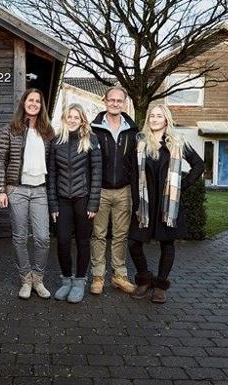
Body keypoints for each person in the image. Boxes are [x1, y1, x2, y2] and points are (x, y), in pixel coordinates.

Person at [128, 104, 204, 304]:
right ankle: (144, 279)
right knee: (134, 243)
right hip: (145, 204)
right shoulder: (140, 142)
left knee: (167, 245)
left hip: (167, 204)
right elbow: (133, 174)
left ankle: (160, 286)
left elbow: (199, 164)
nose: (154, 119)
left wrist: (182, 185)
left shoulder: (177, 142)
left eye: (159, 116)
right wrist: (136, 201)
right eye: (151, 116)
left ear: (166, 119)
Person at [0, 88, 55, 300]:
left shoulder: (48, 132)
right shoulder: (10, 129)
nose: (34, 104)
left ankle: (38, 278)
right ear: (24, 102)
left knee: (42, 238)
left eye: (38, 101)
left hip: (40, 190)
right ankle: (25, 279)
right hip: (17, 189)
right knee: (20, 237)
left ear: (41, 106)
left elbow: (52, 164)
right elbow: (1, 160)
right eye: (31, 100)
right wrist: (0, 190)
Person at [47, 103, 102, 303]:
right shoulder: (56, 142)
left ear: (82, 121)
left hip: (83, 199)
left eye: (76, 117)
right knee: (62, 241)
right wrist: (52, 205)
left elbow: (97, 173)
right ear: (64, 118)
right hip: (62, 200)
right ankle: (66, 282)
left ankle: (79, 282)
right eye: (69, 116)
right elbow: (52, 175)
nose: (72, 120)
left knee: (82, 241)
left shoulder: (91, 140)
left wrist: (93, 203)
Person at [89, 86, 139, 295]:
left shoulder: (133, 130)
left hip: (124, 191)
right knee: (99, 234)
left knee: (121, 235)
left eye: (119, 100)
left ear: (124, 103)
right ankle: (98, 276)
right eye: (112, 100)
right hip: (100, 190)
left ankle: (119, 275)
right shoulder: (94, 128)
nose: (115, 103)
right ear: (105, 101)